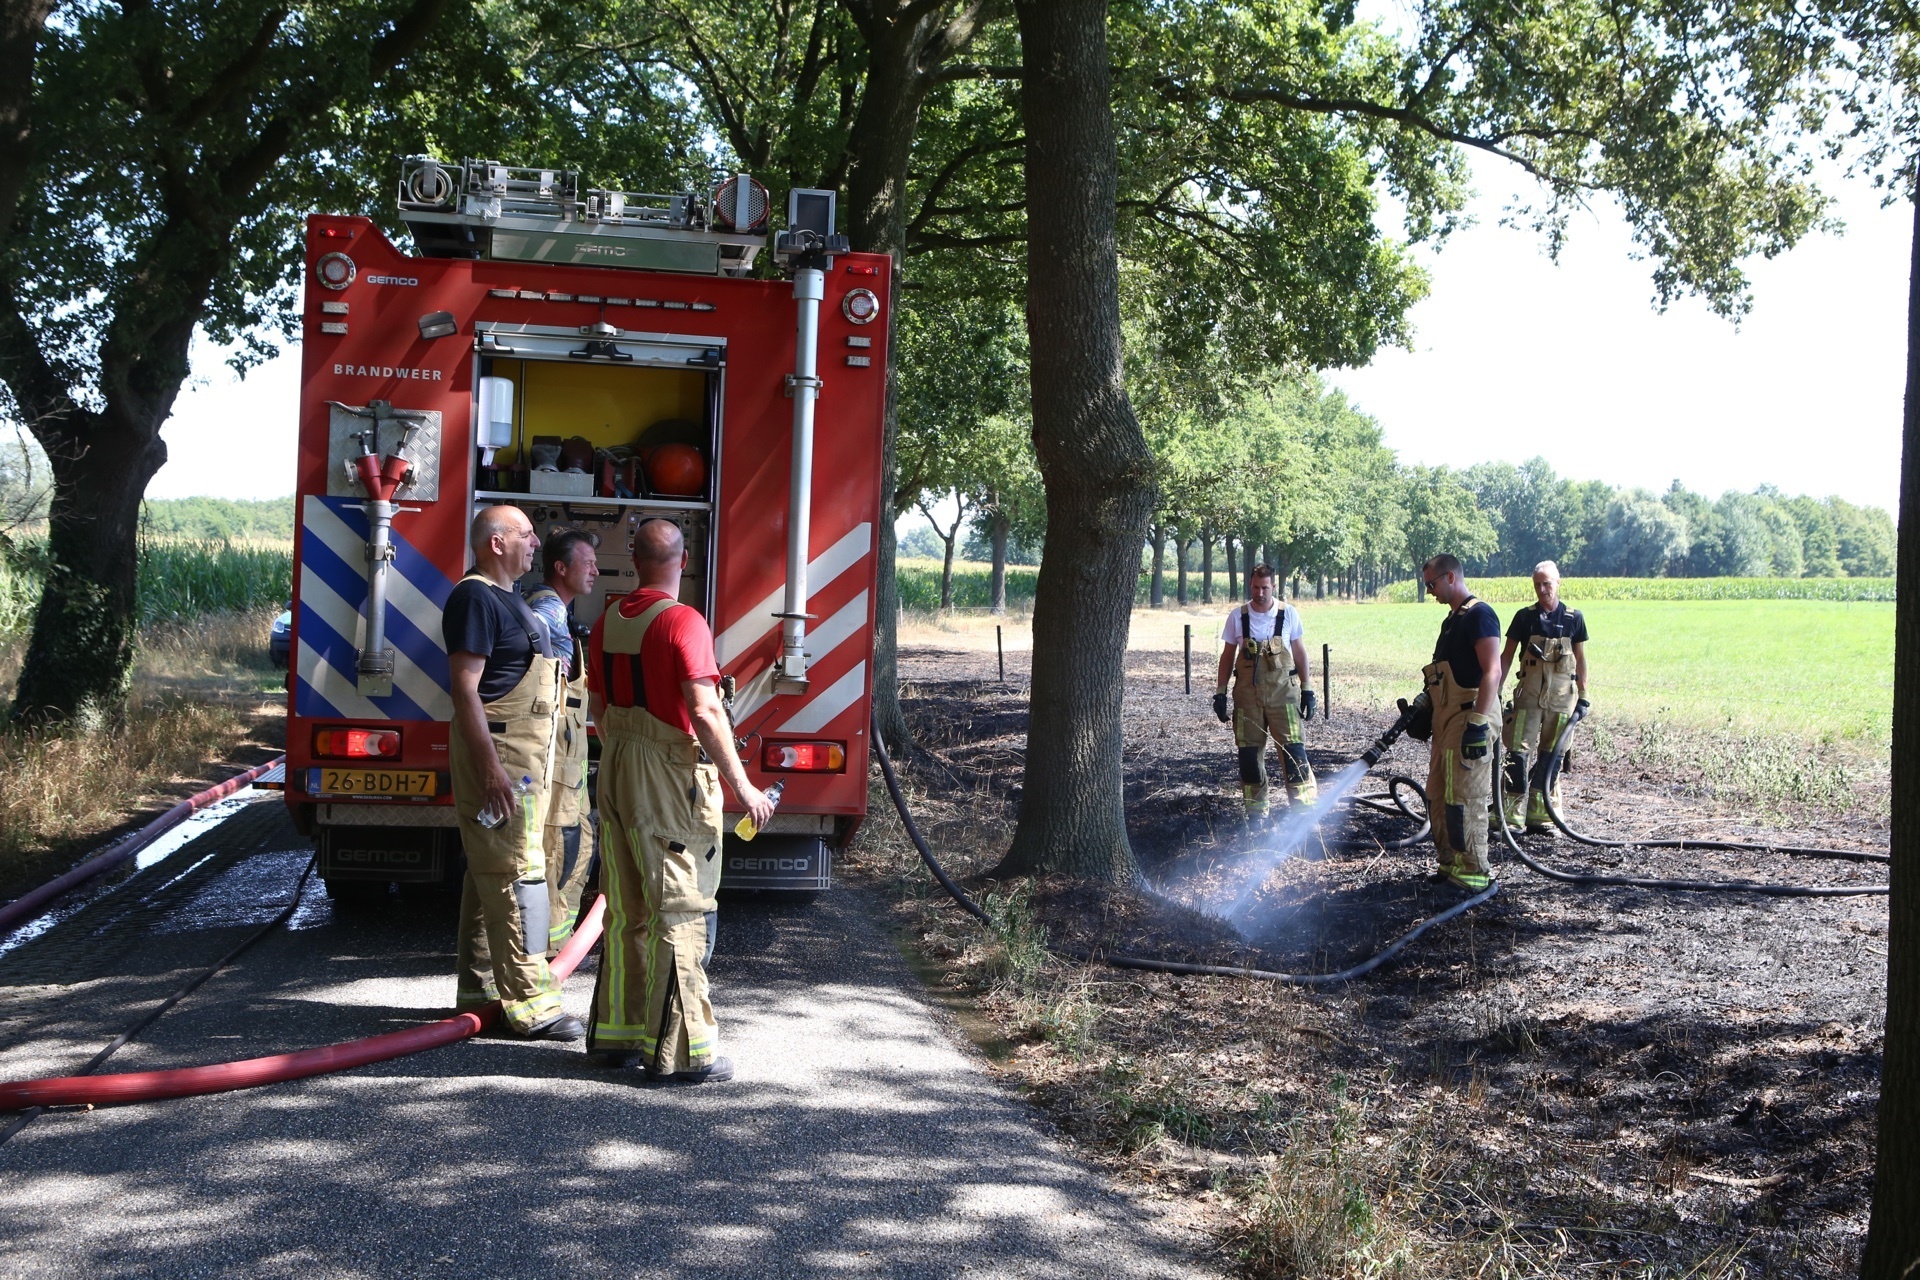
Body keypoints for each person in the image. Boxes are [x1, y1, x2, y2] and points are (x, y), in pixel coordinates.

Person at [585, 517, 774, 1083]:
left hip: (616, 764)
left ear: (634, 558)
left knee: (625, 908)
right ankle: (680, 1053)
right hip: (667, 774)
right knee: (680, 905)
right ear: (683, 559)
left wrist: (624, 746)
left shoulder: (607, 619)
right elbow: (706, 708)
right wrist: (742, 786)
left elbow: (596, 704)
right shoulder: (683, 622)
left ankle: (618, 1035)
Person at [443, 505, 583, 1040]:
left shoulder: (512, 601)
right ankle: (533, 1004)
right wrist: (491, 771)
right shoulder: (475, 597)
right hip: (504, 765)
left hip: (526, 763)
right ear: (496, 544)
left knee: (490, 876)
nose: (535, 543)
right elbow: (465, 689)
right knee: (519, 875)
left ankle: (478, 990)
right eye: (525, 535)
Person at [524, 528, 600, 957]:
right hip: (554, 755)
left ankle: (556, 946)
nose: (595, 569)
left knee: (575, 844)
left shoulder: (557, 613)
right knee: (558, 848)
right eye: (586, 562)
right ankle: (543, 955)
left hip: (567, 757)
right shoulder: (547, 612)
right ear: (560, 567)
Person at [1420, 554, 1503, 890]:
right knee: (1438, 793)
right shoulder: (1451, 621)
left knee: (1464, 795)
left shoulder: (1480, 615)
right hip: (1447, 717)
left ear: (1450, 577)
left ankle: (1472, 871)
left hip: (1470, 716)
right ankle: (1450, 864)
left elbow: (1492, 671)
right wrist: (1423, 710)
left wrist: (1479, 723)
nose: (1429, 591)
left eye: (1432, 584)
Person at [1212, 564, 1317, 825]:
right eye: (1256, 587)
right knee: (1249, 756)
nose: (1260, 593)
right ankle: (1257, 815)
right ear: (1250, 585)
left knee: (1294, 752)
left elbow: (1300, 652)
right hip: (1247, 696)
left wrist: (1307, 689)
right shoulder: (1237, 617)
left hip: (1285, 695)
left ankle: (1303, 815)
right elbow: (1227, 657)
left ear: (1273, 587)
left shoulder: (1289, 614)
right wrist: (1220, 692)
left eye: (1265, 587)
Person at [1497, 560, 1590, 831]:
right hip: (1528, 697)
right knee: (1517, 752)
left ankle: (1541, 814)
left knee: (1552, 755)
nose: (1542, 589)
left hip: (1562, 699)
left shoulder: (1574, 618)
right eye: (1537, 584)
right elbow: (1506, 656)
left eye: (1547, 583)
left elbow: (1581, 659)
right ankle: (1512, 815)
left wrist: (1583, 695)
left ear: (1558, 582)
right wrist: (1496, 690)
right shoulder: (1524, 617)